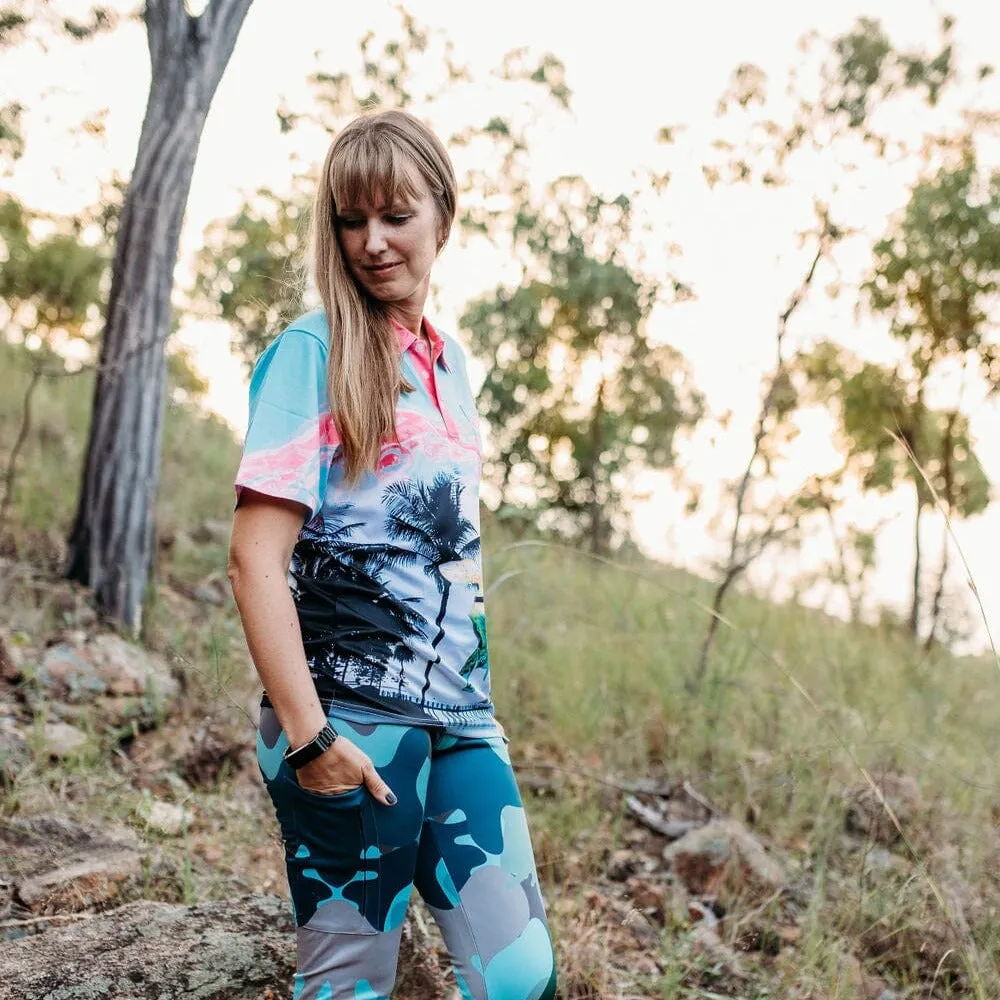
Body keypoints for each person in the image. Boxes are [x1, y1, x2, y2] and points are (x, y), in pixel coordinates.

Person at [227, 109, 558, 1000]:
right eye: (351, 219)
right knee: (349, 986)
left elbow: (454, 560)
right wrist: (310, 738)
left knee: (520, 975)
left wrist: (477, 696)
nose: (372, 242)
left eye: (396, 216)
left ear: (442, 219)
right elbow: (253, 561)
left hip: (462, 722)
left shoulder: (451, 367)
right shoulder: (314, 350)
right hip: (348, 720)